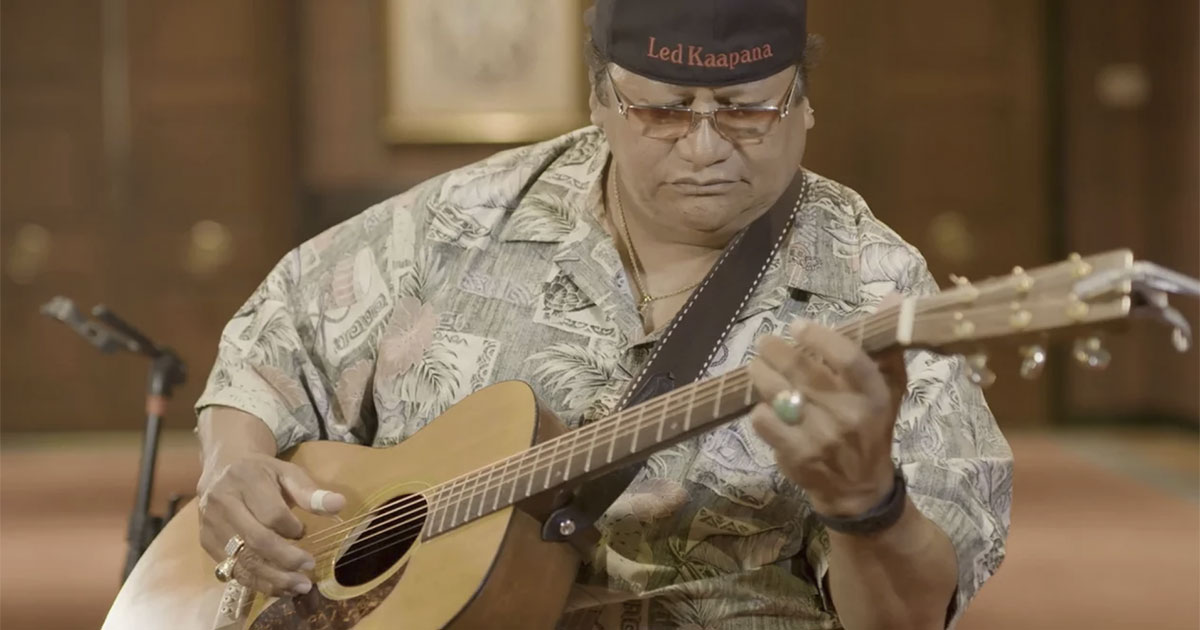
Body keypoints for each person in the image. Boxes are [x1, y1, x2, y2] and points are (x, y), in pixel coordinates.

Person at [193, 0, 1012, 628]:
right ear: (599, 101)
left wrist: (866, 503)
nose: (704, 146)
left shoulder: (878, 290)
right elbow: (281, 323)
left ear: (803, 104)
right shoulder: (469, 218)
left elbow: (910, 615)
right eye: (662, 109)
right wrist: (233, 465)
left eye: (747, 109)